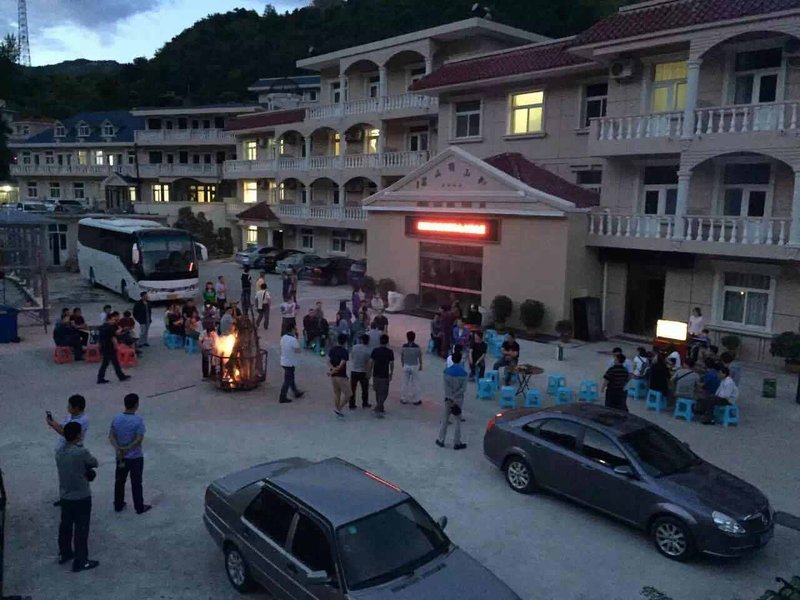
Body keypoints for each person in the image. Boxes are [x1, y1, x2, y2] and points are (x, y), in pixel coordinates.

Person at [56, 421, 99, 572]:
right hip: (81, 495)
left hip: (65, 494)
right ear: (78, 435)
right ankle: (81, 561)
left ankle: (65, 552)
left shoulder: (59, 452)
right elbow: (94, 462)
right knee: (81, 528)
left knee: (65, 525)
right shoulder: (81, 452)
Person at [109, 393, 151, 514]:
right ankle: (139, 507)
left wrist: (119, 448)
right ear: (136, 405)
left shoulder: (117, 418)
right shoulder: (138, 420)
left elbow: (111, 436)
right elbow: (138, 439)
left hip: (121, 456)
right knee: (136, 483)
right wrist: (127, 448)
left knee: (119, 481)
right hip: (135, 457)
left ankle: (118, 504)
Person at [47, 394, 88, 507]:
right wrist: (54, 422)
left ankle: (72, 498)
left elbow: (66, 433)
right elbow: (63, 427)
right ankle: (65, 497)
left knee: (72, 476)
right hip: (64, 448)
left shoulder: (82, 421)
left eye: (69, 406)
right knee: (63, 475)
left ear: (76, 408)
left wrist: (52, 425)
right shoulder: (72, 416)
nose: (67, 408)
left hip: (72, 450)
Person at [435, 349, 468, 450]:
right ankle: (456, 442)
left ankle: (441, 439)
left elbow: (446, 387)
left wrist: (450, 397)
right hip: (458, 399)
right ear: (460, 360)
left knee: (445, 419)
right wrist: (456, 396)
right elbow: (463, 389)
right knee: (457, 420)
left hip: (448, 399)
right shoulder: (464, 373)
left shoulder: (447, 372)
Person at [97, 312, 130, 384]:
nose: (114, 321)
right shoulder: (109, 327)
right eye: (112, 320)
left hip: (105, 347)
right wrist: (116, 346)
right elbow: (114, 337)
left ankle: (101, 378)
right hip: (109, 347)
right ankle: (120, 376)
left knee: (108, 363)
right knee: (111, 363)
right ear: (108, 319)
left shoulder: (104, 327)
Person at [369, 334, 394, 418]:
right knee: (384, 392)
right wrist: (391, 373)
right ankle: (379, 407)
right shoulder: (390, 352)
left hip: (376, 374)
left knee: (377, 391)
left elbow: (371, 362)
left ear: (380, 341)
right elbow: (391, 364)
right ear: (387, 342)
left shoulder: (375, 350)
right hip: (384, 374)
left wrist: (369, 372)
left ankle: (379, 407)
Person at [279, 325, 305, 404]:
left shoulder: (283, 338)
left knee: (291, 378)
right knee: (287, 380)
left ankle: (295, 392)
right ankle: (282, 397)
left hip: (284, 361)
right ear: (292, 330)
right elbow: (298, 350)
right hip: (290, 362)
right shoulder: (293, 340)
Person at [328, 334, 350, 418]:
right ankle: (339, 409)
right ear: (345, 342)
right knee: (348, 394)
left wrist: (332, 370)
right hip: (341, 376)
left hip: (333, 376)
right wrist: (335, 369)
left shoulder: (332, 349)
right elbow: (342, 364)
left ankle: (337, 409)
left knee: (337, 394)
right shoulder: (344, 351)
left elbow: (328, 361)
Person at [400, 331, 423, 406]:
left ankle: (403, 398)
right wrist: (421, 365)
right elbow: (419, 357)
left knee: (404, 382)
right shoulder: (417, 347)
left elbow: (402, 356)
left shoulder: (404, 346)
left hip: (406, 365)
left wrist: (403, 364)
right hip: (414, 366)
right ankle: (416, 399)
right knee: (415, 383)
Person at [349, 333, 372, 409]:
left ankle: (352, 404)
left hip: (354, 370)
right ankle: (365, 403)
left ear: (361, 340)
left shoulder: (355, 347)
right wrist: (369, 372)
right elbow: (369, 362)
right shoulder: (369, 350)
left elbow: (352, 357)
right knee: (364, 389)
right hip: (363, 370)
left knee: (353, 388)